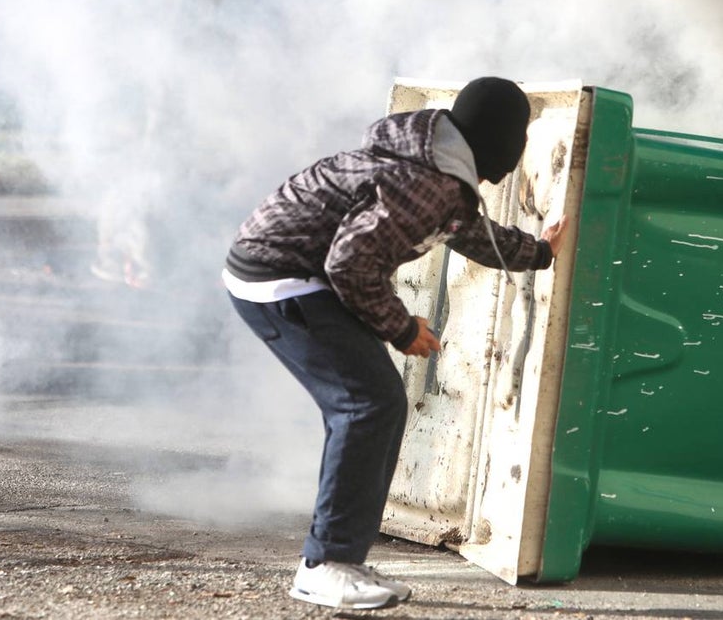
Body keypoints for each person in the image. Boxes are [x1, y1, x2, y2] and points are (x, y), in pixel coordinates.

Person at [222, 76, 569, 610]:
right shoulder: (427, 182)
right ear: (503, 140)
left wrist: (540, 253)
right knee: (366, 405)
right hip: (283, 278)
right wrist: (403, 329)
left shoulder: (440, 171)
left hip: (297, 272)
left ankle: (341, 557)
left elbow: (469, 233)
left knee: (375, 405)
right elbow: (350, 264)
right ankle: (325, 566)